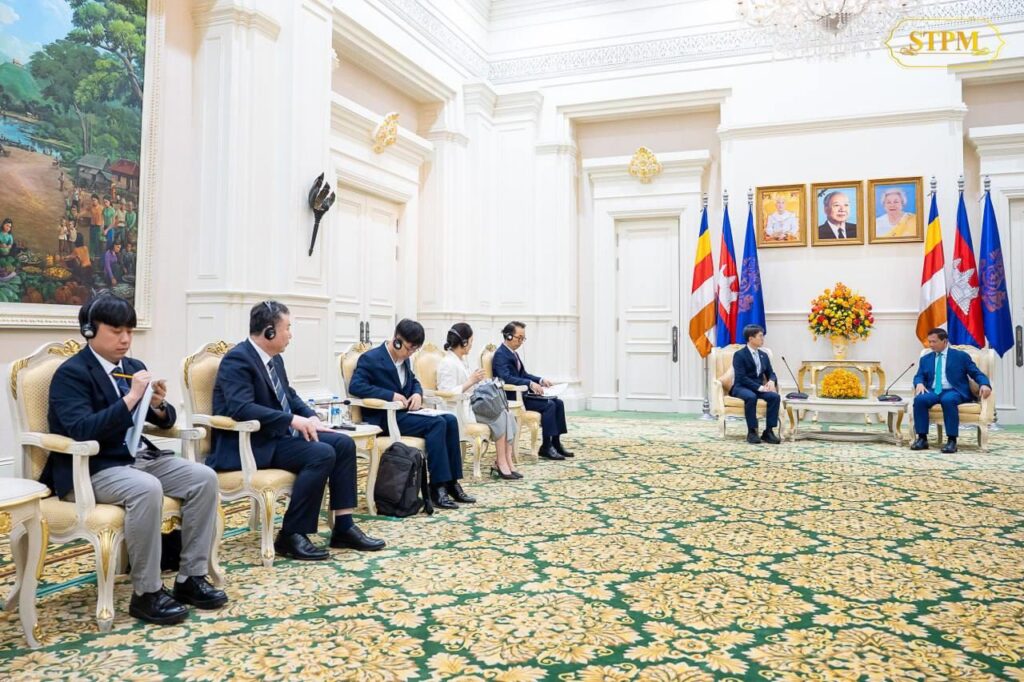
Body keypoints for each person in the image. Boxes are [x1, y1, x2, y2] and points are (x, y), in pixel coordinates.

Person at [43, 294, 227, 625]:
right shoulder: (71, 374)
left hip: (138, 457)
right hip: (93, 466)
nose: (125, 339)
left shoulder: (133, 367)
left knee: (204, 477)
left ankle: (191, 577)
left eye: (129, 330)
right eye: (116, 331)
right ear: (89, 330)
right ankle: (147, 593)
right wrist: (131, 398)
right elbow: (82, 430)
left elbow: (164, 421)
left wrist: (157, 405)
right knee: (147, 487)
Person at [207, 300, 385, 560]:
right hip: (250, 444)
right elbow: (241, 408)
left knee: (343, 443)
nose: (290, 334)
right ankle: (292, 534)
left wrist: (310, 416)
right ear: (270, 332)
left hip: (275, 437)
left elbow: (288, 395)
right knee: (321, 454)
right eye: (287, 328)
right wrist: (292, 420)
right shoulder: (237, 360)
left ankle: (344, 527)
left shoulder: (274, 360)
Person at [349, 319, 475, 509]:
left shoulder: (405, 359)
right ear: (397, 341)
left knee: (450, 419)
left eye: (415, 350)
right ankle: (437, 486)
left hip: (405, 414)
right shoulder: (371, 358)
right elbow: (356, 386)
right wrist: (390, 395)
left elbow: (414, 381)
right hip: (384, 417)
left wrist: (417, 394)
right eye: (409, 348)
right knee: (437, 424)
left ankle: (452, 482)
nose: (411, 353)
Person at [437, 323, 521, 481]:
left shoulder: (460, 360)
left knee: (507, 414)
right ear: (464, 342)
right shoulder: (447, 363)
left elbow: (468, 386)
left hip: (470, 404)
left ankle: (506, 460)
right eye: (470, 341)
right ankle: (501, 462)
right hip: (458, 410)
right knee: (500, 416)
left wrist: (478, 382)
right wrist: (471, 381)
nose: (471, 345)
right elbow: (446, 394)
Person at [493, 321, 573, 460]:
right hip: (512, 397)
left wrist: (540, 380)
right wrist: (529, 384)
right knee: (549, 405)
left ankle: (556, 442)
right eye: (519, 338)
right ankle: (546, 446)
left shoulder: (513, 353)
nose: (521, 341)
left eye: (523, 338)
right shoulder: (501, 354)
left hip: (522, 393)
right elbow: (505, 378)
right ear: (509, 336)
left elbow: (523, 374)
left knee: (558, 403)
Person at [911, 327, 991, 454]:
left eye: (934, 341)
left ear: (945, 341)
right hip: (933, 391)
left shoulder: (961, 356)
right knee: (920, 400)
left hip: (954, 390)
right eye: (929, 341)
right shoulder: (926, 359)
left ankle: (952, 440)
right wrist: (919, 383)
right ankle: (922, 438)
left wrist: (984, 384)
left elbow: (976, 373)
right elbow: (919, 375)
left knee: (948, 400)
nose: (931, 345)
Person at [729, 324, 782, 444]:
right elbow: (741, 378)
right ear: (751, 338)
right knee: (751, 397)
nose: (763, 339)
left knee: (775, 397)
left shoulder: (764, 355)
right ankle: (752, 431)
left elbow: (771, 373)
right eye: (760, 336)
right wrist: (760, 387)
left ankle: (768, 432)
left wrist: (771, 380)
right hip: (741, 387)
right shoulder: (739, 355)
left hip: (759, 388)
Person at [89, 194, 104, 259]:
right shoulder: (91, 207)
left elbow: (104, 218)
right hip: (92, 226)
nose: (93, 202)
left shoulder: (101, 208)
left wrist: (102, 227)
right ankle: (91, 255)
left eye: (94, 200)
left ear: (97, 200)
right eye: (92, 200)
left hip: (98, 227)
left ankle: (97, 256)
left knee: (97, 241)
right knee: (91, 241)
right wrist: (79, 215)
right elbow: (85, 210)